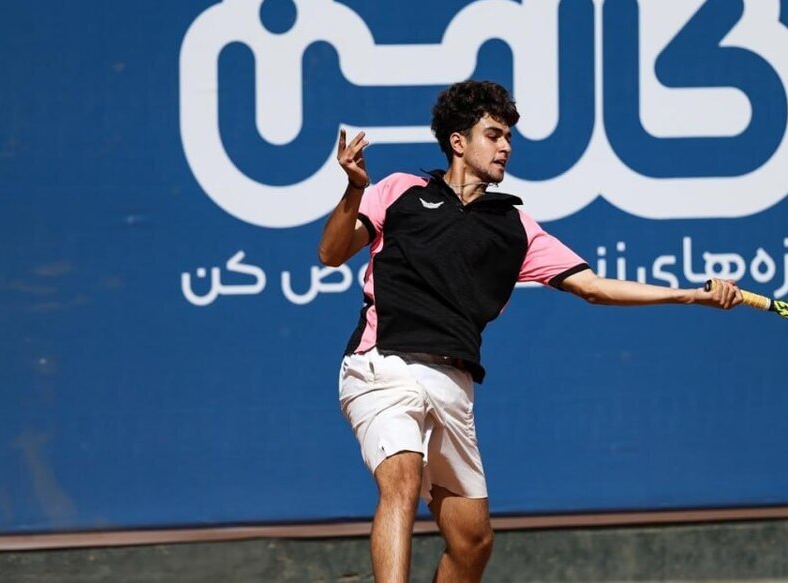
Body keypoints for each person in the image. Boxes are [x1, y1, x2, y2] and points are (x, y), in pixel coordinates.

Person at [318, 80, 742, 583]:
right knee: (402, 479)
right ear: (458, 142)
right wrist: (354, 189)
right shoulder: (399, 191)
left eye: (509, 137)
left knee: (473, 543)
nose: (506, 147)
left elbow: (594, 287)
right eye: (493, 135)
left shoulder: (515, 226)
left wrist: (690, 295)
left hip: (453, 383)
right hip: (382, 365)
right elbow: (331, 252)